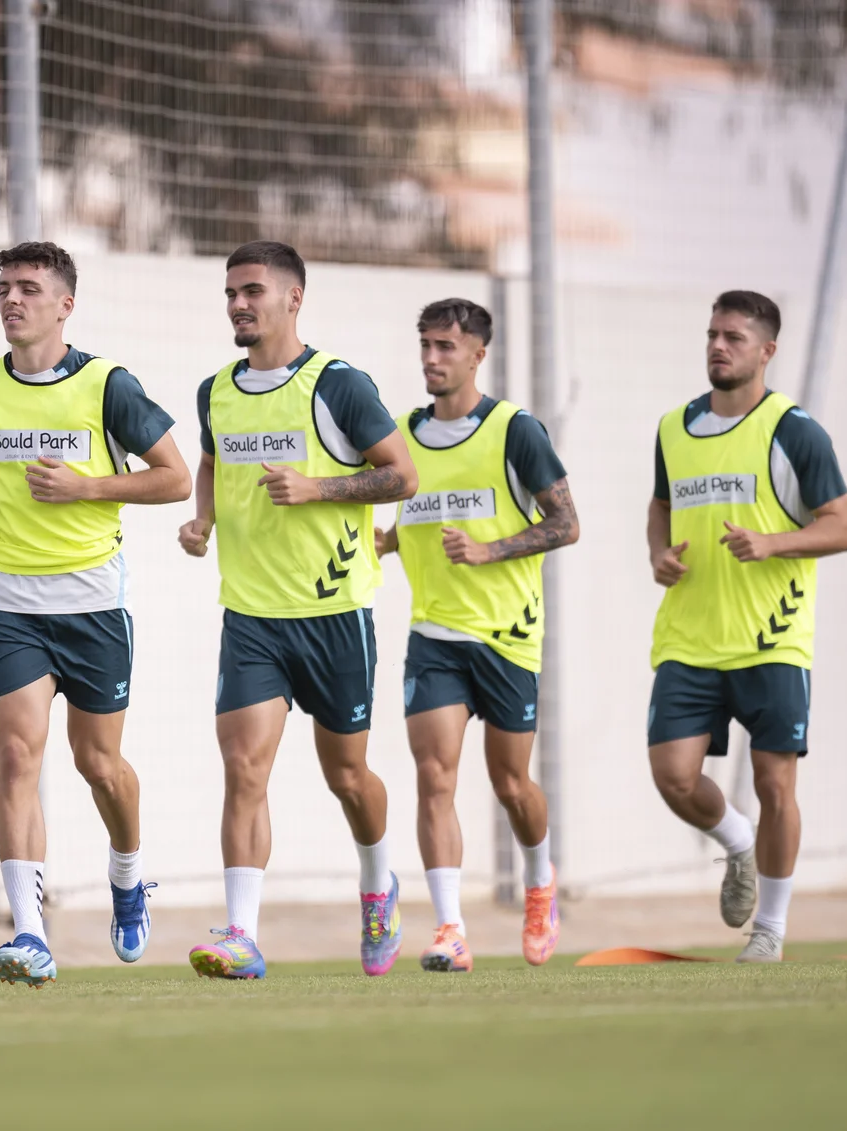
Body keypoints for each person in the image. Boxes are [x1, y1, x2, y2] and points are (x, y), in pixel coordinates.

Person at [0, 241, 190, 988]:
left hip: (93, 603)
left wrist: (87, 488)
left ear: (65, 304)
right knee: (18, 755)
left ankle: (127, 876)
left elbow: (176, 479)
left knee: (99, 765)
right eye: (4, 288)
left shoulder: (106, 385)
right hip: (11, 603)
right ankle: (30, 931)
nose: (12, 299)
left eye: (29, 287)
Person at [181, 241, 419, 980]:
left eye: (252, 290)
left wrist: (319, 489)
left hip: (334, 614)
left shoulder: (338, 385)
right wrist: (203, 519)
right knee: (243, 768)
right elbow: (215, 461)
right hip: (251, 617)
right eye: (230, 293)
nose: (239, 304)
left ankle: (379, 883)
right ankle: (242, 935)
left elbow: (402, 476)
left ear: (294, 297)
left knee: (347, 776)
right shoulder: (214, 389)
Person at [646, 291, 847, 963]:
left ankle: (770, 930)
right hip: (691, 637)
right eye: (712, 333)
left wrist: (772, 542)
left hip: (773, 639)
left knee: (775, 784)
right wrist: (658, 552)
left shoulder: (795, 431)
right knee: (673, 775)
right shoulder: (674, 427)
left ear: (766, 351)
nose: (718, 345)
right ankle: (736, 842)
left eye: (734, 337)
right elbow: (660, 503)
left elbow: (843, 526)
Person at [374, 299, 580, 972]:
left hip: (508, 637)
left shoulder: (514, 430)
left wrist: (491, 552)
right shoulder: (403, 433)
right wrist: (390, 542)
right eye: (425, 345)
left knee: (511, 781)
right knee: (435, 776)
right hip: (435, 635)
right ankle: (451, 929)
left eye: (445, 347)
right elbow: (426, 512)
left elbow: (565, 523)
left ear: (477, 355)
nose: (432, 359)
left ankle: (539, 881)